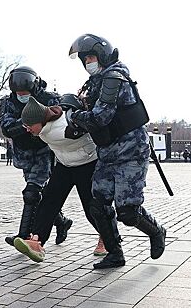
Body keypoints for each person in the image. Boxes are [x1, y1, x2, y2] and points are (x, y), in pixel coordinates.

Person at [68, 34, 167, 269]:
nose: (88, 62)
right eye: (85, 59)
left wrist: (74, 117)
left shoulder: (113, 78)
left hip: (130, 153)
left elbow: (100, 117)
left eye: (91, 57)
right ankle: (115, 253)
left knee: (128, 211)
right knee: (98, 204)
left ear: (102, 55)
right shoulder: (94, 82)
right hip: (107, 153)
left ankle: (156, 232)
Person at [13, 95, 121, 264]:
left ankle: (108, 240)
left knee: (91, 208)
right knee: (49, 201)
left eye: (29, 125)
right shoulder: (41, 129)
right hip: (64, 165)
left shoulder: (67, 123)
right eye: (24, 125)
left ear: (40, 119)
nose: (27, 129)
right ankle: (36, 241)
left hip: (87, 165)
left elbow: (96, 124)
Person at [0, 66, 72, 248]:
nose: (21, 96)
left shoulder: (49, 98)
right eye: (18, 93)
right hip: (24, 154)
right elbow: (7, 128)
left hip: (45, 151)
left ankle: (24, 235)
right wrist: (31, 119)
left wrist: (36, 120)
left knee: (31, 193)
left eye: (25, 93)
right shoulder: (8, 102)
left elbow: (60, 117)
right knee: (42, 194)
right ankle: (61, 221)